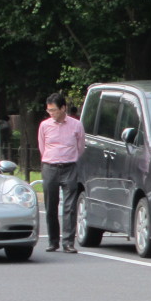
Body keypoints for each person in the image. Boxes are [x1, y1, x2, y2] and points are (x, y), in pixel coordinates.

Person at [38, 93, 85, 253]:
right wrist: (50, 159)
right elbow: (42, 146)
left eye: (54, 110)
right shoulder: (44, 126)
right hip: (50, 166)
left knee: (70, 206)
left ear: (63, 108)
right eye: (49, 110)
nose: (51, 113)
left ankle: (68, 242)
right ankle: (53, 241)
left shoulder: (76, 125)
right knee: (51, 205)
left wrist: (70, 158)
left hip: (69, 166)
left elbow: (81, 146)